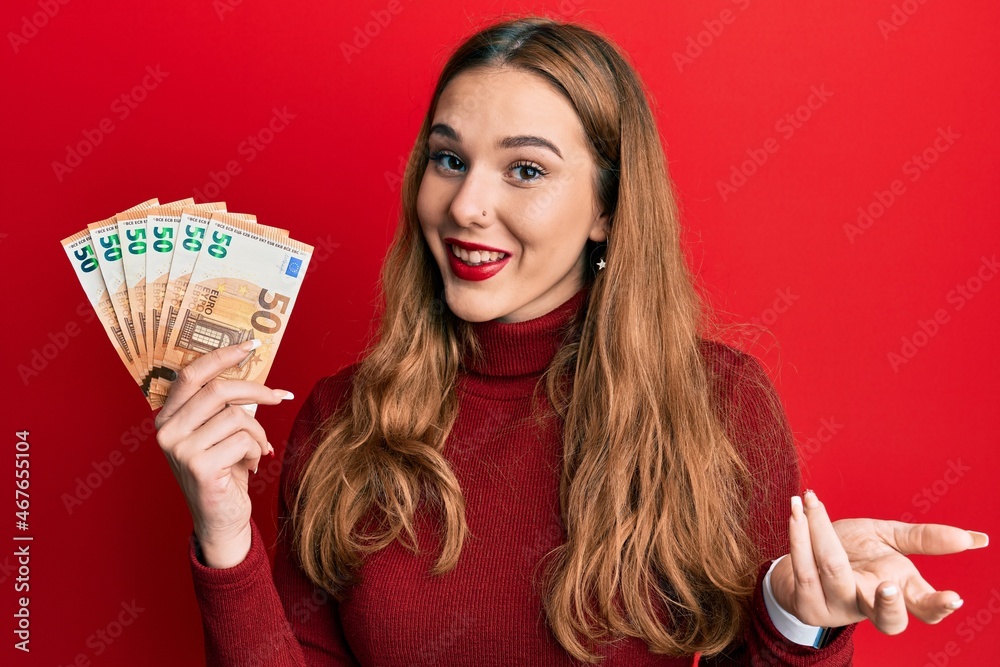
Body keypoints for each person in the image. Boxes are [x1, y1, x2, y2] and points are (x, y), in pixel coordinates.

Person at [154, 15, 989, 666]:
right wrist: (226, 536)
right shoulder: (342, 416)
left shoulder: (720, 403)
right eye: (448, 160)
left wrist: (793, 614)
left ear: (606, 208)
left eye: (525, 170)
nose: (467, 205)